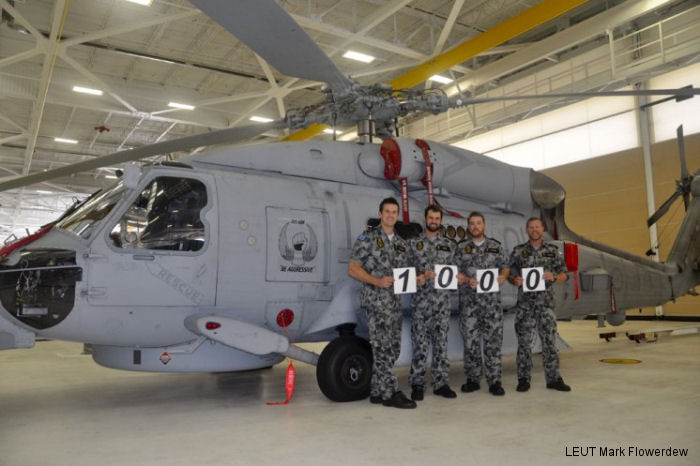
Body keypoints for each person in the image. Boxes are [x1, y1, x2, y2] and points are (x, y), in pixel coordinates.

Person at [348, 197, 416, 409]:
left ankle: (377, 391)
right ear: (380, 214)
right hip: (376, 302)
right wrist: (376, 281)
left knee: (393, 347)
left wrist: (419, 278)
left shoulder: (401, 244)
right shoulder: (367, 238)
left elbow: (405, 274)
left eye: (394, 212)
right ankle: (389, 393)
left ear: (397, 216)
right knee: (383, 346)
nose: (390, 215)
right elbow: (352, 268)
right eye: (387, 211)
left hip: (394, 303)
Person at [508, 217, 571, 393]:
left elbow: (565, 274)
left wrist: (554, 277)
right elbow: (509, 273)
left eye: (537, 227)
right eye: (531, 227)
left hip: (546, 305)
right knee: (524, 344)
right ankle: (523, 379)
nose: (534, 229)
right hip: (525, 306)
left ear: (542, 229)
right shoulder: (518, 251)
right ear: (527, 230)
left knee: (550, 343)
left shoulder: (553, 251)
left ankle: (553, 379)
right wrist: (515, 279)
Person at [456, 212, 509, 396]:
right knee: (470, 344)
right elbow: (454, 272)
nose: (475, 226)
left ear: (484, 225)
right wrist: (462, 278)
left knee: (492, 344)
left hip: (491, 306)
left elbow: (506, 266)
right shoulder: (461, 248)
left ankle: (495, 381)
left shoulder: (495, 247)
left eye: (478, 223)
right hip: (469, 305)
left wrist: (503, 276)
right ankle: (473, 379)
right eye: (472, 224)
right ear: (468, 227)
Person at [408, 205, 457, 401]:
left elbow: (454, 271)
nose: (434, 221)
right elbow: (404, 272)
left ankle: (441, 383)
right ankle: (417, 384)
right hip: (420, 305)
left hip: (442, 305)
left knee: (441, 345)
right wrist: (419, 276)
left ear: (441, 220)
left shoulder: (450, 245)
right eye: (431, 218)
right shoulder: (413, 244)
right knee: (419, 345)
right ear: (425, 219)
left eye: (437, 218)